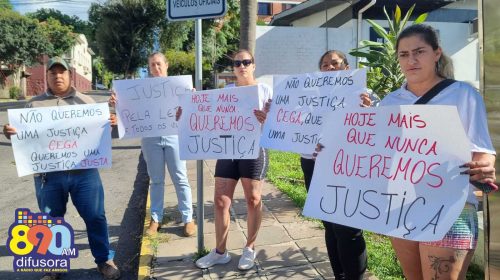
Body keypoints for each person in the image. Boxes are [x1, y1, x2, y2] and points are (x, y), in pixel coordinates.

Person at [380, 24, 496, 279]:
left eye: (419, 51)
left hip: (450, 207)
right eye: (403, 54)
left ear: (437, 53)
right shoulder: (389, 103)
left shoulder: (463, 95)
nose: (411, 60)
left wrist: (484, 166)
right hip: (402, 206)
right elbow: (376, 154)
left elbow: (482, 152)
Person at [3, 57, 121, 280]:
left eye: (62, 72)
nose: (57, 76)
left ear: (70, 75)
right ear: (47, 77)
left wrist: (114, 124)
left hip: (84, 173)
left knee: (95, 216)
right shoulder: (33, 105)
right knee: (50, 220)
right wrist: (9, 133)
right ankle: (54, 265)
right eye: (53, 73)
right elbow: (24, 139)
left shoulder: (87, 103)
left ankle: (104, 260)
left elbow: (107, 137)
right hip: (49, 175)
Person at [194, 49, 272, 271]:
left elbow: (279, 124)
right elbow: (206, 114)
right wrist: (187, 107)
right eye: (238, 63)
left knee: (253, 199)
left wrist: (267, 118)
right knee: (220, 201)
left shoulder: (266, 90)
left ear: (254, 65)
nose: (242, 66)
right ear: (233, 67)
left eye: (246, 62)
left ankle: (249, 248)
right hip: (228, 150)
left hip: (255, 149)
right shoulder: (226, 91)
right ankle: (220, 252)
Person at [110, 52, 196, 237]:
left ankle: (188, 218)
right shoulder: (141, 90)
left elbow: (190, 109)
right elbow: (127, 111)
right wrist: (116, 103)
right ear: (148, 68)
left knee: (180, 178)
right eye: (152, 65)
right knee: (156, 180)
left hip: (174, 137)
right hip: (150, 138)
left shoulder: (178, 87)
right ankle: (156, 219)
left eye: (159, 64)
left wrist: (193, 97)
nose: (156, 68)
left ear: (166, 65)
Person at [300, 50, 369, 280]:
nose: (330, 68)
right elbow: (295, 128)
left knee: (348, 227)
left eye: (335, 63)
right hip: (314, 165)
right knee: (329, 223)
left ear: (346, 68)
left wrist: (369, 112)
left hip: (348, 166)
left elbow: (379, 131)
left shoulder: (363, 95)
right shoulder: (307, 96)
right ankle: (339, 275)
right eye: (325, 65)